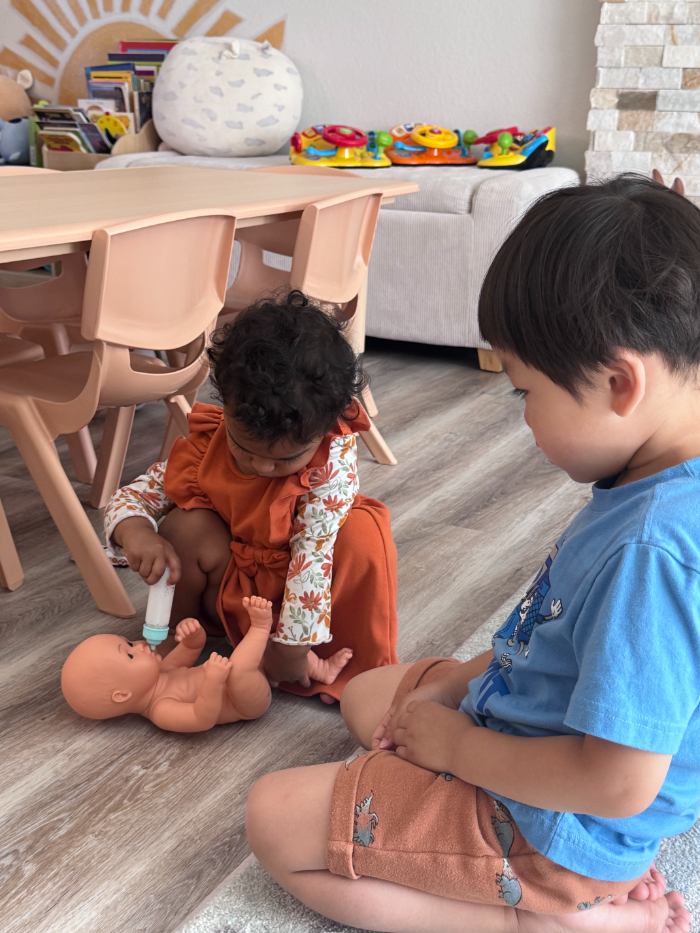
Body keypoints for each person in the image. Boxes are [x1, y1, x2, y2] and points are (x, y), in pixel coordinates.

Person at [244, 175, 697, 933]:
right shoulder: (656, 478)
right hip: (538, 737)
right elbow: (555, 633)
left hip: (555, 824)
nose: (524, 417)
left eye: (525, 392)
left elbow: (617, 782)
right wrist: (457, 685)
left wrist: (458, 746)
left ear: (621, 383)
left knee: (272, 818)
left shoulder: (653, 551)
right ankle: (571, 887)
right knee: (365, 696)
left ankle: (552, 915)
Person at [103, 291, 398, 703]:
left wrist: (291, 649)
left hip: (303, 592)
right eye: (243, 449)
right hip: (235, 591)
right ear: (225, 406)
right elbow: (135, 496)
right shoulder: (210, 442)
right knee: (185, 525)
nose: (261, 467)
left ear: (328, 426)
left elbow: (312, 561)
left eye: (285, 459)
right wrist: (135, 531)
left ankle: (311, 659)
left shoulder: (329, 467)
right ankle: (177, 634)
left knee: (362, 536)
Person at [61, 598, 352, 731]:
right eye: (129, 654)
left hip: (238, 681)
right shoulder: (161, 710)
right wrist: (212, 683)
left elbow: (191, 650)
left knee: (263, 653)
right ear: (123, 695)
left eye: (128, 642)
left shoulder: (161, 673)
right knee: (241, 664)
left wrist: (191, 636)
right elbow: (202, 719)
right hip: (244, 704)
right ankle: (260, 627)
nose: (138, 644)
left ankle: (320, 669)